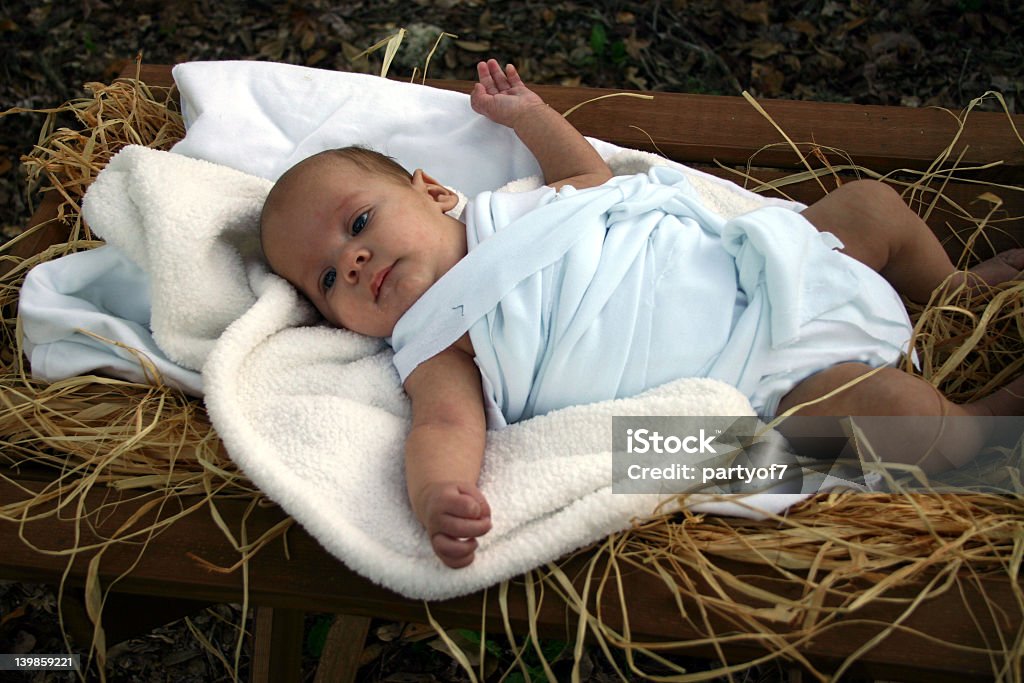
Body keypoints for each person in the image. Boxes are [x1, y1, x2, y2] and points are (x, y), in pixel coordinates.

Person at [260, 59, 1024, 568]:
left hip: (769, 275)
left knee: (869, 206)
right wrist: (436, 496)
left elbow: (587, 169)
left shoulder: (519, 209)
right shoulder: (435, 342)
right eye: (327, 277)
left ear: (432, 193)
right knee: (897, 412)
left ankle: (956, 291)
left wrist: (526, 114)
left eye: (359, 223)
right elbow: (445, 429)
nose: (354, 261)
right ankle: (980, 431)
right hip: (763, 375)